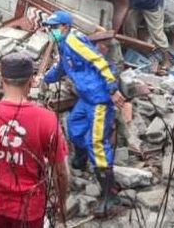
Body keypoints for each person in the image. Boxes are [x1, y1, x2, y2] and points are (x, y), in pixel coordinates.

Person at [0, 52, 70, 228]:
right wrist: (62, 203)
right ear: (31, 81)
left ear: (1, 80)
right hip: (30, 209)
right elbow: (61, 172)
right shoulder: (47, 119)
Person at [41, 11, 125, 217]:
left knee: (95, 141)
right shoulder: (63, 45)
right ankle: (81, 160)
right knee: (74, 127)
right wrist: (45, 78)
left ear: (64, 27)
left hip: (99, 100)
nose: (50, 31)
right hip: (86, 98)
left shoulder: (74, 41)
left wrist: (113, 89)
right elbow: (62, 67)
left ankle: (110, 192)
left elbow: (100, 61)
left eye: (53, 28)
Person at [105, 0, 170, 64]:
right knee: (128, 25)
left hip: (153, 4)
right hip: (138, 3)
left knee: (156, 33)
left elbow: (123, 9)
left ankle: (166, 60)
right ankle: (133, 52)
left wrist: (113, 32)